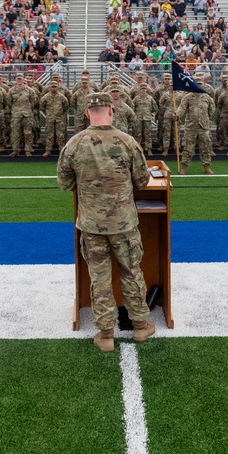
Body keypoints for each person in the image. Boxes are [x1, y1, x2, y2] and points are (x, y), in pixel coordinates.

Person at [56, 92, 155, 353]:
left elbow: (65, 184)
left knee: (99, 277)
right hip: (123, 224)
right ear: (112, 111)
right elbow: (142, 181)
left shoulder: (75, 144)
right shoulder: (127, 142)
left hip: (92, 225)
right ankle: (141, 326)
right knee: (132, 272)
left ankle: (106, 333)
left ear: (87, 113)